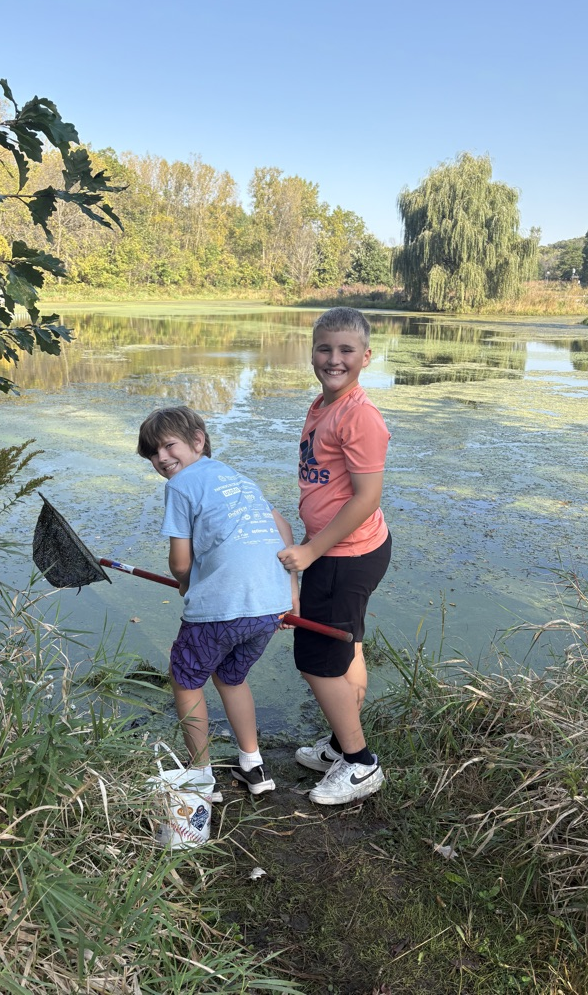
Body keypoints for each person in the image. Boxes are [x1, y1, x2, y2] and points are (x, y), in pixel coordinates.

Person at [137, 405, 299, 797]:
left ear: (198, 440)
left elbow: (179, 562)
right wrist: (291, 592)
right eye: (152, 453)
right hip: (268, 606)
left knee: (185, 679)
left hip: (221, 608)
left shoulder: (179, 486)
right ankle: (254, 767)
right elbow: (284, 529)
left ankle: (200, 776)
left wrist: (185, 583)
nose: (162, 458)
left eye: (168, 446)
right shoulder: (239, 478)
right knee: (231, 677)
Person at [277, 307, 392, 806]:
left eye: (346, 350)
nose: (333, 358)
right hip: (344, 550)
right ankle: (341, 746)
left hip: (343, 554)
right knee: (347, 648)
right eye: (325, 348)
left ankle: (361, 762)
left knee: (318, 661)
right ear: (312, 352)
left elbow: (366, 497)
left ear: (366, 357)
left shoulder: (359, 415)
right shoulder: (323, 404)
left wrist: (310, 551)